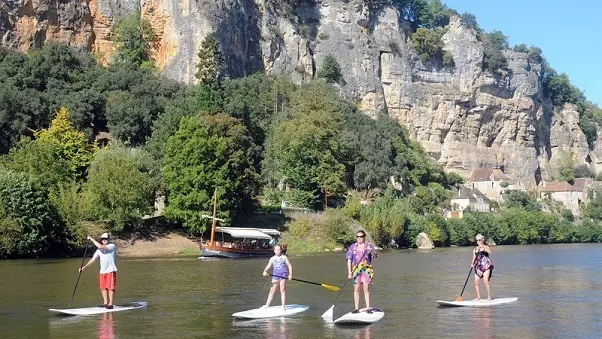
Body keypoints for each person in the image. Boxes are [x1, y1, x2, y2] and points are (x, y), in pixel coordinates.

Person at [79, 233, 118, 309]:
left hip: (111, 270)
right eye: (103, 239)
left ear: (108, 239)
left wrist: (91, 239)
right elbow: (93, 259)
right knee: (103, 288)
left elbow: (100, 246)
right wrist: (84, 267)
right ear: (101, 240)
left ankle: (110, 304)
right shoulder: (98, 250)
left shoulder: (111, 246)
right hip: (102, 272)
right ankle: (105, 303)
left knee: (111, 288)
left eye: (106, 239)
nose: (104, 240)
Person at [346, 230, 378, 313]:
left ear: (364, 237)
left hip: (366, 269)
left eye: (361, 236)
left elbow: (375, 255)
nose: (359, 238)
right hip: (356, 269)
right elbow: (349, 260)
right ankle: (356, 309)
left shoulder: (368, 245)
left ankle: (368, 308)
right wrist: (349, 272)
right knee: (356, 288)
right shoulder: (353, 247)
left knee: (366, 288)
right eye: (358, 236)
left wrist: (371, 250)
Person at [262, 244, 293, 310]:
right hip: (275, 275)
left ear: (281, 250)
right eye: (276, 249)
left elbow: (289, 266)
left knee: (282, 290)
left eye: (279, 249)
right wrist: (264, 271)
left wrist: (290, 275)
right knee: (272, 290)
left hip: (283, 275)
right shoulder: (272, 258)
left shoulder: (284, 257)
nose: (277, 251)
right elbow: (268, 266)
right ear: (274, 251)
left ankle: (283, 306)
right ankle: (267, 305)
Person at [472, 233, 494, 300]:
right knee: (476, 282)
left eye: (479, 240)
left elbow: (490, 252)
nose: (478, 241)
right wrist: (472, 263)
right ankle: (478, 297)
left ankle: (489, 296)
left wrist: (483, 248)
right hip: (478, 266)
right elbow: (474, 258)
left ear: (482, 240)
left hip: (486, 266)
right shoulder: (475, 249)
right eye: (477, 240)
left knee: (485, 281)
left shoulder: (485, 247)